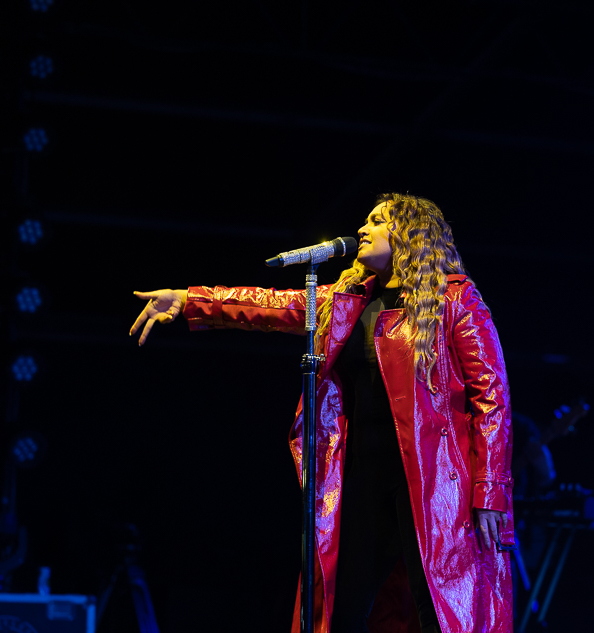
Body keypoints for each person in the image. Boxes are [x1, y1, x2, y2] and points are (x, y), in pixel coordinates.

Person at [129, 193, 514, 633]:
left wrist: (490, 490)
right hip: (362, 479)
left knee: (440, 612)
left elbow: (492, 398)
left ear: (410, 234)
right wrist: (188, 299)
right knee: (337, 610)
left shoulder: (455, 301)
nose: (363, 228)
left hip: (435, 485)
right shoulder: (346, 301)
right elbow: (269, 305)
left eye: (378, 221)